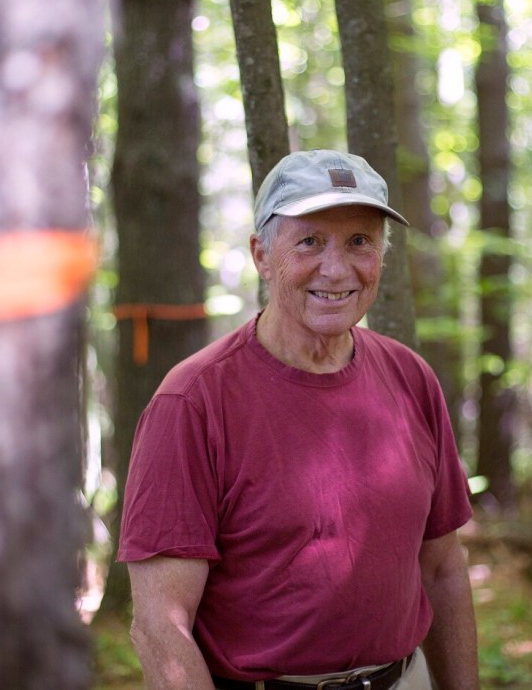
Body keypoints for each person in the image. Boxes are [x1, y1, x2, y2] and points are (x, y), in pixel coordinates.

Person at [118, 149, 480, 690]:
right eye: (309, 241)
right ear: (262, 255)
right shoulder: (192, 402)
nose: (336, 269)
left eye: (360, 241)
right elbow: (160, 626)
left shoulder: (410, 378)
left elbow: (443, 569)